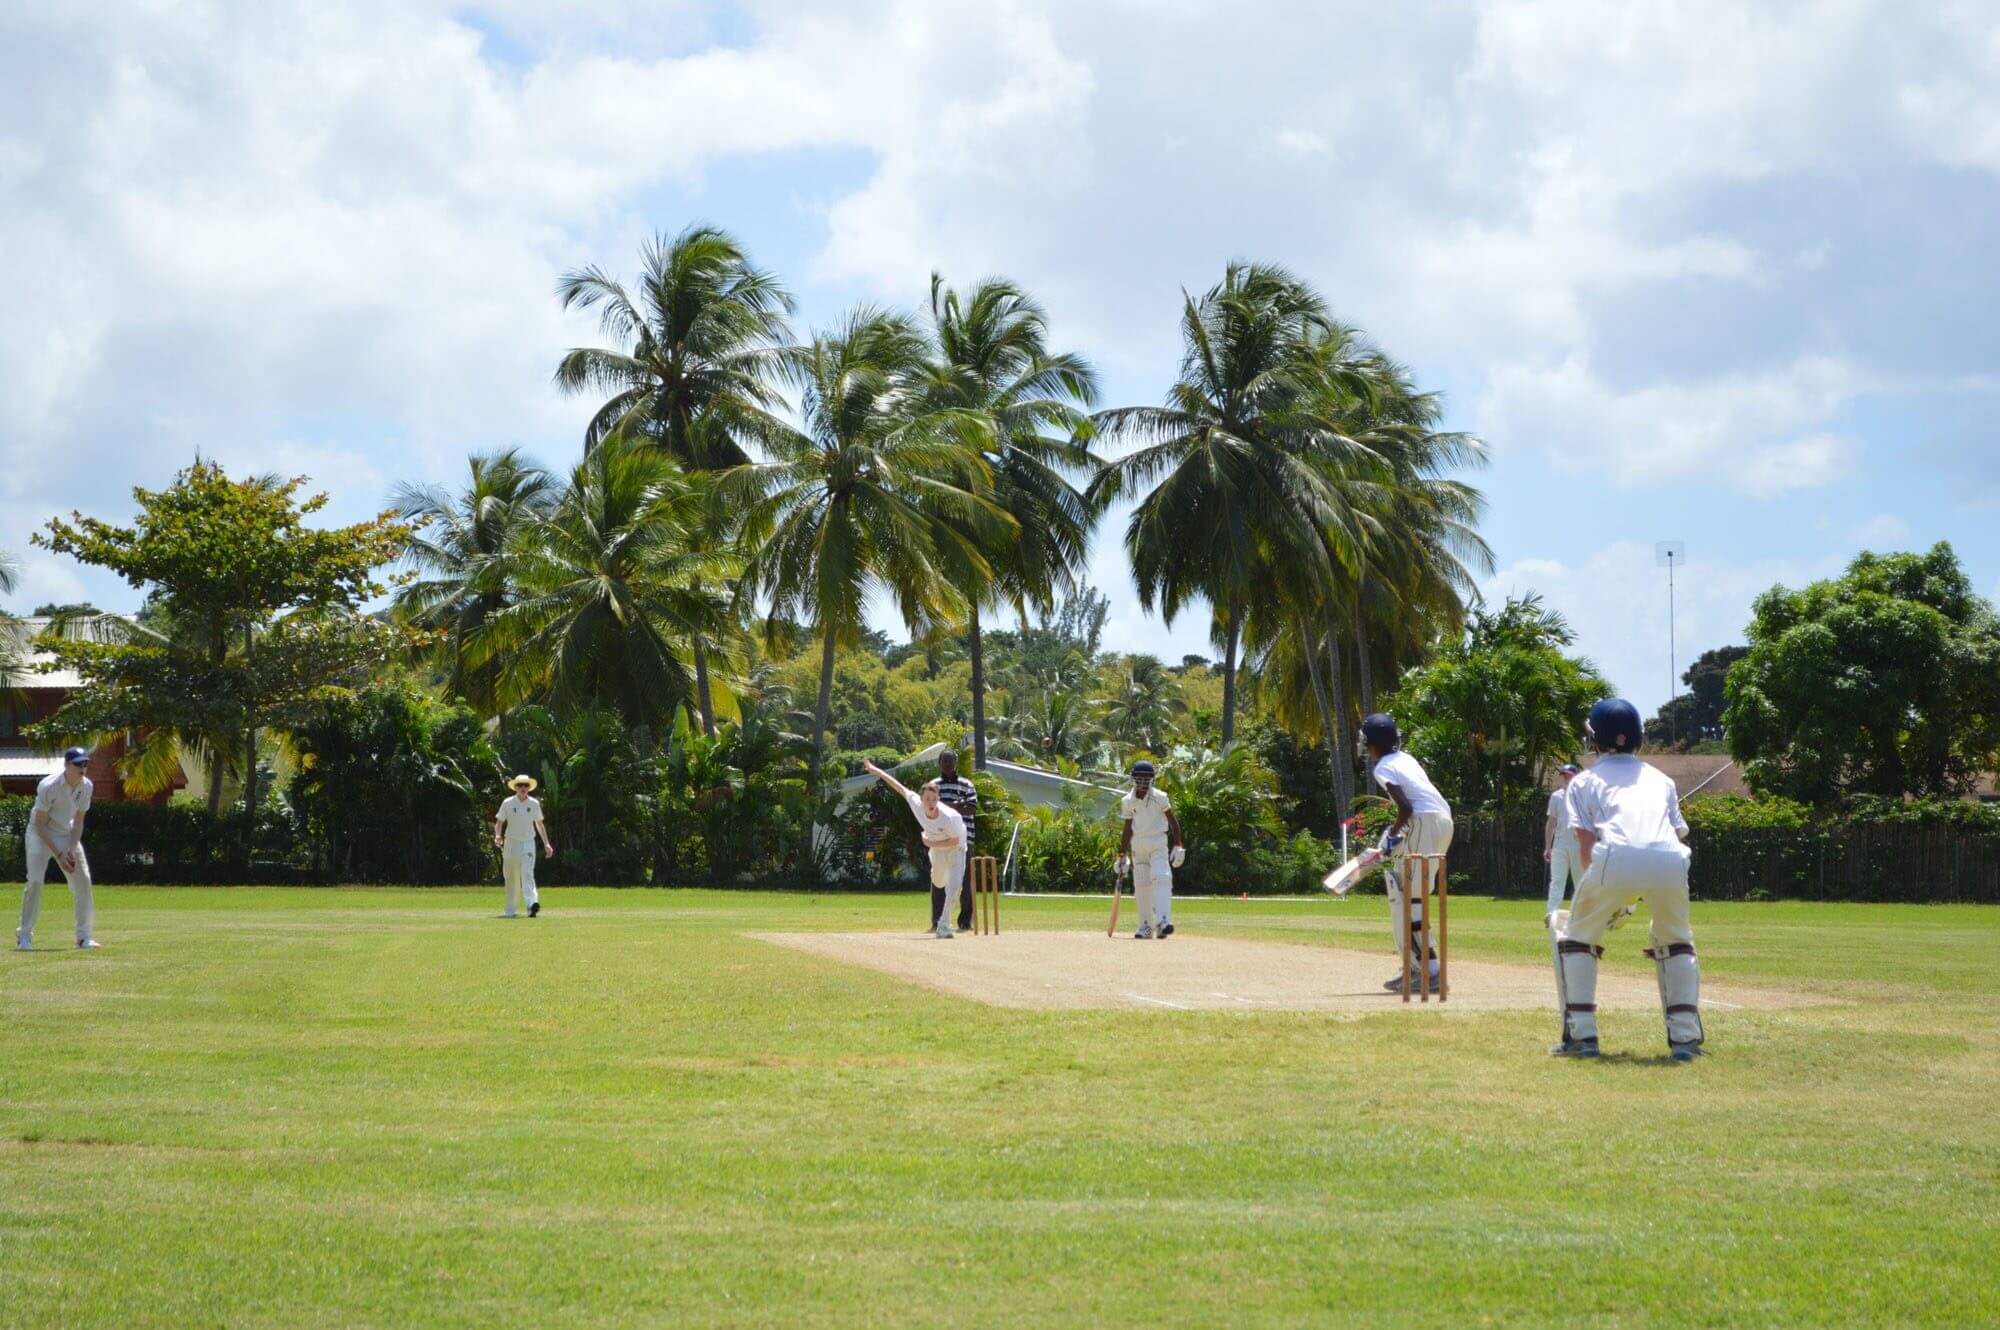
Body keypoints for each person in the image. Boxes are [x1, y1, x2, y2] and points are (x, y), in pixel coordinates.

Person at [1551, 698, 1704, 1062]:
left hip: (1613, 858)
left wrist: (1612, 899)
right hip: (1671, 859)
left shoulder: (1583, 782)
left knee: (1576, 936)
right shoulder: (1661, 779)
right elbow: (1676, 833)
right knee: (1676, 940)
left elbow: (1587, 848)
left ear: (1595, 740)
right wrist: (1633, 894)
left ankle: (1582, 1037)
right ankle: (1685, 1040)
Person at [1360, 714, 1452, 992]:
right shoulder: (1407, 759)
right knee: (1414, 895)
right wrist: (1394, 835)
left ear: (1371, 744)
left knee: (1406, 897)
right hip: (1443, 820)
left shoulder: (1383, 767)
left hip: (1422, 820)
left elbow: (1406, 808)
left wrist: (1392, 835)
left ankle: (1426, 971)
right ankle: (1419, 967)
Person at [863, 760, 966, 939]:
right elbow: (897, 785)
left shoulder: (950, 818)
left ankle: (943, 925)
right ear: (921, 799)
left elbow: (955, 840)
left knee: (955, 887)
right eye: (927, 799)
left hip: (956, 848)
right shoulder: (916, 803)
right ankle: (938, 874)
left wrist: (930, 843)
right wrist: (875, 770)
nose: (931, 802)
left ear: (938, 799)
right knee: (939, 882)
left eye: (934, 799)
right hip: (938, 852)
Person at [17, 747, 97, 951]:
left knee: (83, 882)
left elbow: (78, 822)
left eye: (85, 763)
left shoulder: (87, 786)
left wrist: (69, 848)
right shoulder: (48, 786)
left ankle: (83, 937)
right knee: (35, 881)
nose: (83, 767)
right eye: (78, 764)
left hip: (65, 834)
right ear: (67, 765)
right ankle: (24, 937)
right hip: (39, 834)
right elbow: (40, 824)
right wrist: (60, 854)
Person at [1116, 759, 1184, 939]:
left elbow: (1173, 822)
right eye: (1140, 778)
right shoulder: (1127, 801)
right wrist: (1121, 855)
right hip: (1138, 845)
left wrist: (1178, 844)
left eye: (1147, 778)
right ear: (1134, 779)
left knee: (1161, 878)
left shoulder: (1160, 797)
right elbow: (1127, 829)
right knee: (1141, 884)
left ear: (1152, 779)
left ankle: (1163, 922)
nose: (1143, 782)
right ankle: (1144, 926)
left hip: (1158, 842)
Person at [493, 775, 554, 919]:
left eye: (526, 785)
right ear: (515, 787)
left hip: (528, 843)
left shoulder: (534, 804)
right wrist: (497, 836)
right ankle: (510, 910)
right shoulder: (507, 803)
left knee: (527, 874)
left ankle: (532, 904)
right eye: (520, 785)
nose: (523, 788)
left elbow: (539, 824)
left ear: (529, 787)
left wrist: (546, 843)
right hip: (511, 843)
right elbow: (499, 822)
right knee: (511, 877)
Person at [933, 750, 980, 933]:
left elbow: (972, 809)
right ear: (939, 763)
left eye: (950, 761)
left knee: (966, 881)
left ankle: (965, 921)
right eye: (944, 761)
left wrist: (949, 807)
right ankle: (937, 920)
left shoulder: (967, 784)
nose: (947, 764)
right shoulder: (934, 785)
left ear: (956, 762)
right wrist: (957, 806)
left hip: (964, 839)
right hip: (941, 839)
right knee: (939, 881)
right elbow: (933, 809)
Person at [1544, 762, 1584, 922]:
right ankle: (1551, 913)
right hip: (1559, 844)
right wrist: (1548, 846)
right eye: (1564, 775)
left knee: (1580, 880)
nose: (1565, 778)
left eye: (1568, 775)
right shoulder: (1556, 796)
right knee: (1557, 881)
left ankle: (1580, 914)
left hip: (1578, 844)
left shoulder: (1582, 796)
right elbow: (1551, 822)